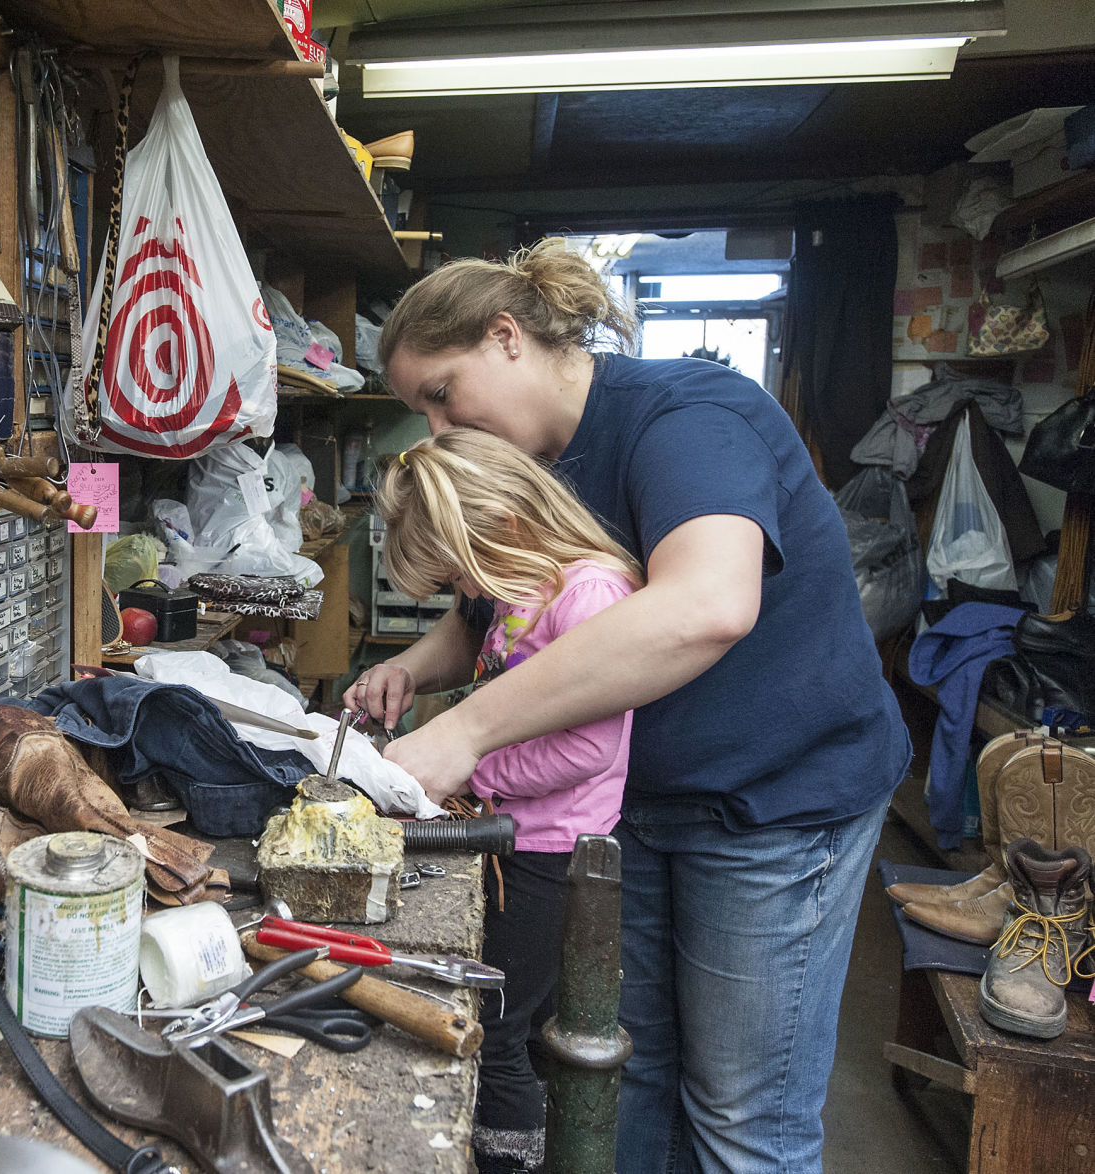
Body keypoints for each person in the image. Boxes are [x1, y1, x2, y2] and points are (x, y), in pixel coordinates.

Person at [344, 242, 909, 1174]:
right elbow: (499, 607)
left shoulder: (686, 418)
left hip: (773, 802)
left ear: (506, 337)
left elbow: (705, 607)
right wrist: (418, 665)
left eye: (442, 395)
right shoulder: (532, 458)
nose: (438, 431)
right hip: (631, 809)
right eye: (423, 413)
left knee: (739, 1114)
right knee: (624, 1073)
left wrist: (468, 731)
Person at [371, 427, 641, 1174]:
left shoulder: (587, 595)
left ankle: (507, 1160)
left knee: (495, 1023)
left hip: (550, 855)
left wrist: (472, 769)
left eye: (459, 572)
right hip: (511, 837)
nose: (462, 593)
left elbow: (589, 748)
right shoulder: (518, 591)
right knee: (507, 1018)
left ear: (507, 526)